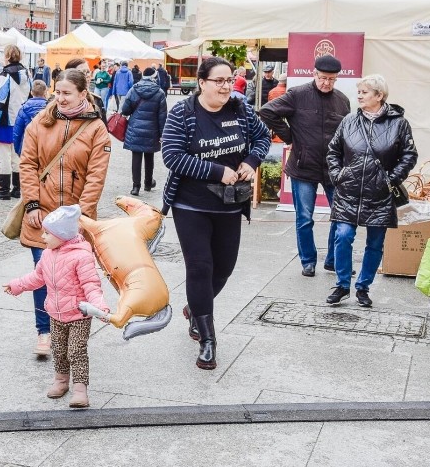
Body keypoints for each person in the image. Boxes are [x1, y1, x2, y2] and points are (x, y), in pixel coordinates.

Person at [161, 57, 271, 370]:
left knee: (224, 269)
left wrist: (251, 161)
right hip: (190, 204)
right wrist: (215, 171)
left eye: (229, 80)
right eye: (218, 81)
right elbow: (172, 156)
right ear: (202, 83)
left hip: (229, 204)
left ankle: (195, 308)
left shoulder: (240, 108)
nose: (226, 86)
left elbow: (262, 137)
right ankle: (208, 339)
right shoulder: (183, 112)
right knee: (200, 268)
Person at [18, 68, 110, 358]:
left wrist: (80, 215)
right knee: (44, 272)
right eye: (57, 92)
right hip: (43, 214)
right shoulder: (40, 122)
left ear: (84, 94)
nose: (60, 99)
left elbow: (96, 176)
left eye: (67, 93)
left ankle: (71, 329)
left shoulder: (96, 129)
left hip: (76, 218)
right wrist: (32, 203)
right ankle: (44, 330)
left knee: (74, 276)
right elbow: (28, 164)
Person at [3, 205, 109, 408]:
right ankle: (61, 381)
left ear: (62, 235)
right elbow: (37, 278)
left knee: (76, 351)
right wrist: (17, 285)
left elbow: (91, 285)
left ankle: (80, 389)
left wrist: (99, 306)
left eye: (47, 233)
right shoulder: (47, 255)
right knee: (59, 350)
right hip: (55, 313)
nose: (43, 237)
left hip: (79, 314)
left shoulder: (82, 256)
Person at [325, 74, 417, 307]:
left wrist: (391, 179)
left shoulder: (399, 123)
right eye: (359, 91)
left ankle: (363, 287)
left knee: (375, 243)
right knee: (343, 235)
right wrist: (338, 175)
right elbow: (333, 151)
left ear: (379, 96)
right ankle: (342, 285)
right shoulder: (348, 121)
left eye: (365, 92)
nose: (359, 95)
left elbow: (409, 155)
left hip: (380, 193)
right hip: (349, 191)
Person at [259, 55, 351, 277]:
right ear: (314, 74)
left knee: (340, 217)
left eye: (331, 79)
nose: (326, 83)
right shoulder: (298, 95)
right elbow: (267, 111)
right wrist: (290, 136)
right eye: (323, 78)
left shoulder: (342, 100)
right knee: (304, 218)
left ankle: (332, 260)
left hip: (333, 168)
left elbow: (347, 132)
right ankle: (308, 261)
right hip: (303, 165)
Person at [0, 45, 31, 201]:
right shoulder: (26, 73)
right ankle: (18, 189)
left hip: (6, 120)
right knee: (16, 155)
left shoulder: (3, 75)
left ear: (6, 56)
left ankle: (4, 188)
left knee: (3, 155)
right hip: (21, 118)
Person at [121, 67, 167, 196]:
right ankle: (148, 183)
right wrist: (162, 134)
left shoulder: (134, 89)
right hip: (152, 130)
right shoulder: (160, 92)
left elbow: (125, 111)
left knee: (136, 157)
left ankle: (136, 187)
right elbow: (162, 116)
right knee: (149, 156)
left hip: (135, 128)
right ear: (154, 77)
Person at [65, 58, 106, 124]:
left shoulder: (97, 100)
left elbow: (103, 129)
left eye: (88, 72)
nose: (87, 76)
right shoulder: (59, 100)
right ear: (69, 76)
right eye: (82, 72)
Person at [13, 80, 48, 157]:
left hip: (27, 146)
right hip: (46, 148)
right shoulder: (50, 109)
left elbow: (17, 133)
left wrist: (18, 150)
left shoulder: (23, 109)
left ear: (31, 92)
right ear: (45, 92)